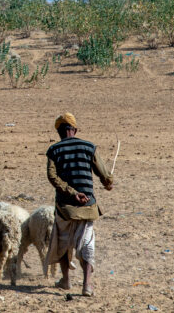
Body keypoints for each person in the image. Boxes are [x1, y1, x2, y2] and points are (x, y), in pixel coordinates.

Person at [44, 112, 114, 297]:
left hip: (65, 207)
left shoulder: (54, 150)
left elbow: (52, 176)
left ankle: (66, 280)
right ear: (74, 129)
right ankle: (87, 285)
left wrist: (72, 193)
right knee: (87, 243)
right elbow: (104, 174)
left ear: (59, 131)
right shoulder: (89, 147)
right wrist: (108, 183)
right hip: (87, 206)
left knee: (62, 241)